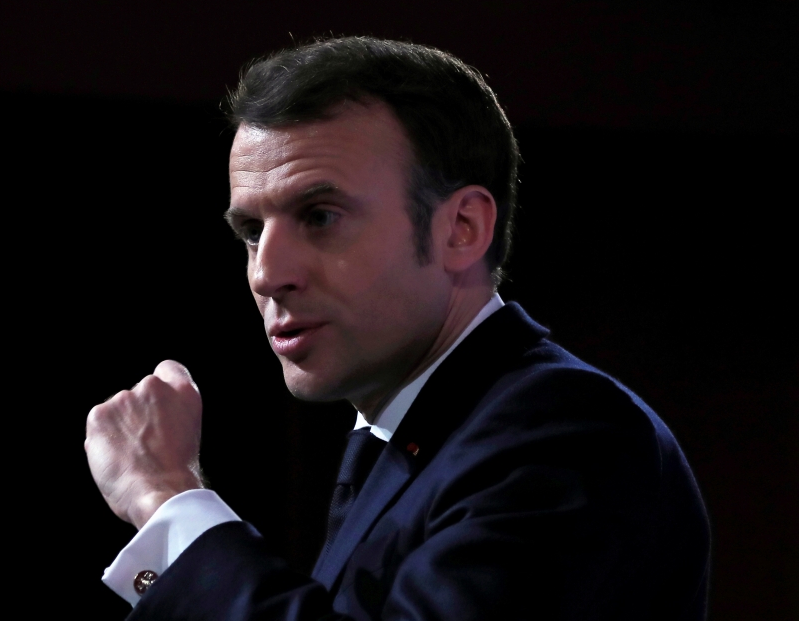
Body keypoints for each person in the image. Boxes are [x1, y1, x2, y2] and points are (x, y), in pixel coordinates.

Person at [84, 37, 710, 620]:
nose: (267, 273)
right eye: (252, 233)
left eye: (321, 216)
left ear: (462, 228)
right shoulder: (422, 433)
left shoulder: (568, 435)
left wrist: (166, 497)